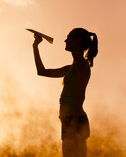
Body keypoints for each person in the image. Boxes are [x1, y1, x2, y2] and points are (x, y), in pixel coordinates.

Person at [32, 28, 98, 157]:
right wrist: (35, 46)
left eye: (68, 37)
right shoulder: (71, 67)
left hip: (76, 120)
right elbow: (42, 71)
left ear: (77, 40)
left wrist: (73, 123)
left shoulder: (81, 65)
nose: (65, 40)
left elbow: (80, 96)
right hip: (69, 119)